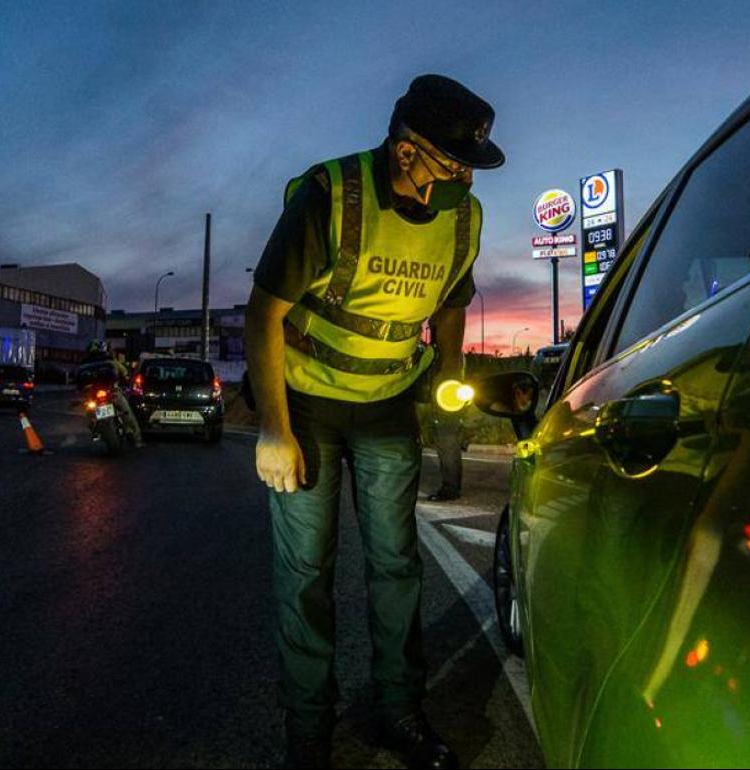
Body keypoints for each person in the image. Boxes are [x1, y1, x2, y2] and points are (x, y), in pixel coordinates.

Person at [245, 74, 503, 770]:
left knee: (397, 565)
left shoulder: (462, 214)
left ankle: (399, 712)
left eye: (468, 167)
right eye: (450, 164)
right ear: (405, 148)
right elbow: (263, 312)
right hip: (306, 403)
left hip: (387, 404)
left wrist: (448, 369)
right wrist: (274, 430)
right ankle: (309, 739)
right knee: (306, 573)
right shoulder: (330, 194)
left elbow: (452, 297)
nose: (460, 181)